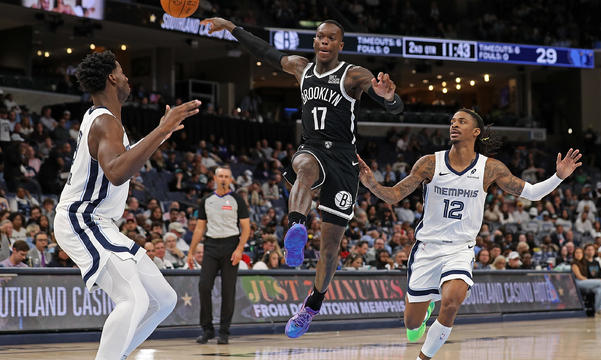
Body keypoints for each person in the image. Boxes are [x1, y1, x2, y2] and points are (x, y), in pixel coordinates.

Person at [199, 17, 403, 339]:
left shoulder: (353, 75)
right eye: (319, 36)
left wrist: (389, 98)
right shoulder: (300, 68)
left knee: (331, 246)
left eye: (330, 38)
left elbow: (391, 105)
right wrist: (229, 27)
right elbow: (264, 51)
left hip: (343, 158)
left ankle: (311, 306)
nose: (323, 41)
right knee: (303, 167)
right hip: (312, 147)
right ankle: (296, 227)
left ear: (339, 44)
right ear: (315, 41)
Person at [358, 108, 582, 360]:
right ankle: (423, 310)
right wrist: (371, 184)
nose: (454, 125)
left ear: (476, 132)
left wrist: (558, 177)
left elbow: (532, 193)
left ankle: (423, 358)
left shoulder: (491, 168)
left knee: (452, 302)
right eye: (452, 121)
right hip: (427, 248)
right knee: (411, 324)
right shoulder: (430, 163)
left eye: (461, 121)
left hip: (460, 249)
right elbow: (395, 195)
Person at [53, 51, 199, 359]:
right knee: (133, 298)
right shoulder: (106, 122)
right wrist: (161, 129)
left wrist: (162, 133)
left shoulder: (105, 120)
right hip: (83, 219)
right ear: (112, 78)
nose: (128, 78)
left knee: (164, 299)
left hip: (100, 222)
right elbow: (117, 173)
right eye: (123, 71)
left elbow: (122, 160)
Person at [186, 166, 250, 345]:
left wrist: (239, 249)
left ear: (231, 180)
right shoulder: (206, 200)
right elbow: (199, 228)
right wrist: (191, 252)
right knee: (204, 286)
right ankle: (207, 329)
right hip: (211, 246)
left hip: (231, 245)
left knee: (228, 291)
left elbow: (246, 228)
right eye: (220, 176)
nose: (223, 179)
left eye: (226, 176)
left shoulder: (237, 199)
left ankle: (224, 331)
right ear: (215, 178)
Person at [571, 247, 601, 317]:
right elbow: (579, 276)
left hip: (585, 282)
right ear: (574, 254)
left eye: (580, 253)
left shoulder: (584, 263)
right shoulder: (574, 264)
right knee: (600, 282)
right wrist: (589, 280)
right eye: (577, 253)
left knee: (598, 290)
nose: (579, 254)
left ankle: (599, 311)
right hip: (578, 283)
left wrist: (589, 280)